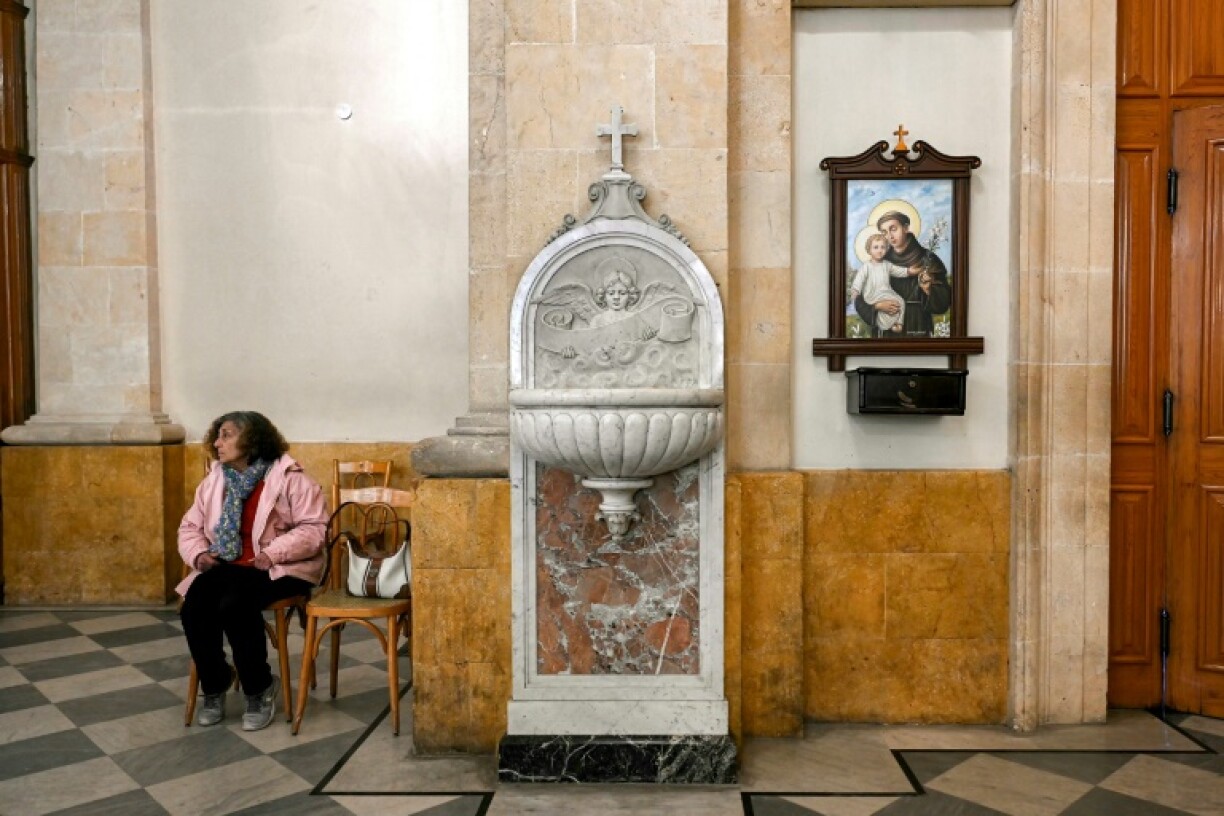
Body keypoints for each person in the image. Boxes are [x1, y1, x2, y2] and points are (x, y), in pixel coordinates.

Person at [177, 411, 328, 730]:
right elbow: (190, 526)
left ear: (253, 439)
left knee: (234, 604)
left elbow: (314, 530)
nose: (218, 443)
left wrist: (272, 553)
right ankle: (215, 684)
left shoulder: (291, 478)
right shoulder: (214, 481)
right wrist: (200, 554)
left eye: (227, 435)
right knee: (195, 604)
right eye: (217, 435)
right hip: (230, 566)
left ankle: (259, 688)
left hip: (283, 568)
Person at [853, 210, 951, 337]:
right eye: (884, 232)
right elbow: (859, 298)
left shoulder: (928, 259)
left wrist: (928, 289)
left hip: (917, 327)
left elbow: (944, 302)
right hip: (885, 328)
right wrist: (876, 306)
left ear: (905, 228)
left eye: (893, 229)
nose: (889, 236)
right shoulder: (879, 262)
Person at [849, 233, 909, 334]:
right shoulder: (866, 266)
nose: (880, 250)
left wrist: (909, 271)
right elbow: (859, 279)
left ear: (886, 249)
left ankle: (899, 323)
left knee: (900, 301)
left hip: (886, 293)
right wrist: (856, 290)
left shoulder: (887, 265)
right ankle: (884, 325)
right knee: (882, 309)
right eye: (876, 247)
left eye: (883, 247)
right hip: (873, 295)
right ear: (869, 250)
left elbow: (899, 271)